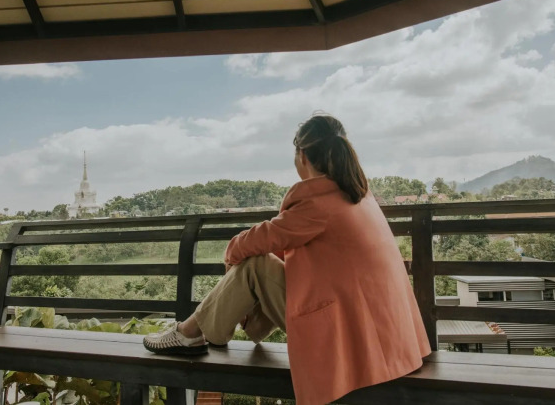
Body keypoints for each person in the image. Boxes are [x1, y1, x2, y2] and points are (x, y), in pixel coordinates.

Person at [144, 114, 431, 404]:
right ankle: (203, 330)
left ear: (302, 155)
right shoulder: (357, 193)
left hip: (346, 334)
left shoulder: (317, 202)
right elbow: (281, 244)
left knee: (254, 265)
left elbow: (256, 241)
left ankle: (190, 332)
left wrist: (232, 260)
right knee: (258, 264)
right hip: (387, 336)